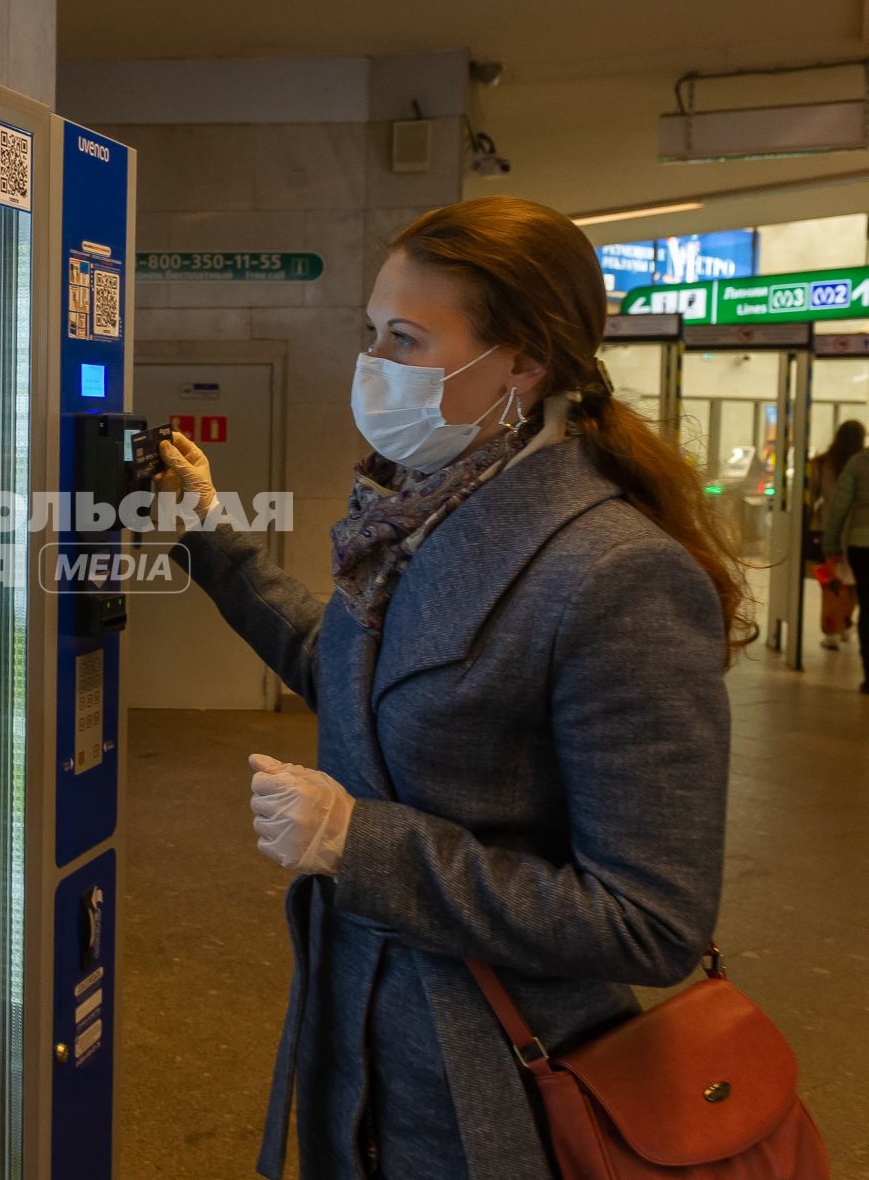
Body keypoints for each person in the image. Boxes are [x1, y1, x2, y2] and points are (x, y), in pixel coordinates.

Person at [157, 196, 747, 1180]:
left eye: (406, 338)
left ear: (521, 363)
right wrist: (208, 537)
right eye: (371, 333)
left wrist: (361, 840)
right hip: (358, 1050)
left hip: (494, 1096)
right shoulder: (415, 522)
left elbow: (652, 919)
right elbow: (358, 677)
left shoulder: (616, 575)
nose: (373, 364)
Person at [822, 420, 869, 692]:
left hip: (862, 546)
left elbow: (839, 507)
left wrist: (831, 547)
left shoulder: (859, 463)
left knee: (868, 607)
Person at [810, 420, 863, 652]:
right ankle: (844, 625)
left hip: (824, 531)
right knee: (854, 585)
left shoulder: (821, 464)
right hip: (853, 534)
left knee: (828, 583)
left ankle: (831, 630)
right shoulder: (861, 464)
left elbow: (809, 497)